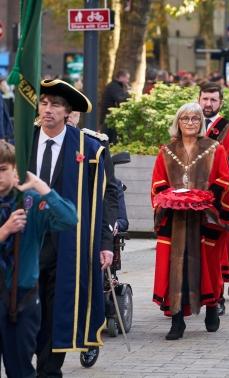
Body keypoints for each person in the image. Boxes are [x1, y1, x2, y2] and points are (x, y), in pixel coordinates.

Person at [31, 79, 114, 376]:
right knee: (29, 311)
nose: (48, 109)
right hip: (28, 242)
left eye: (55, 105)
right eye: (44, 103)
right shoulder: (21, 142)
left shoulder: (88, 148)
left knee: (58, 309)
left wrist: (106, 243)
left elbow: (102, 200)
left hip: (69, 244)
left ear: (68, 112)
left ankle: (49, 370)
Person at [150, 102, 229, 340]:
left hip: (206, 218)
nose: (190, 123)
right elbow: (158, 183)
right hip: (174, 219)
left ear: (201, 123)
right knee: (174, 269)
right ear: (178, 122)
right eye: (185, 118)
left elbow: (224, 181)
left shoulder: (214, 148)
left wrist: (206, 199)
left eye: (195, 119)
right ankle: (177, 321)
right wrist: (169, 197)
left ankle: (211, 307)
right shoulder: (167, 150)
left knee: (207, 266)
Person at [0, 142, 77, 377]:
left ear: (15, 170)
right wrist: (5, 231)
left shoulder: (30, 202)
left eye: (3, 169)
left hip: (21, 299)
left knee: (21, 369)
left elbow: (69, 219)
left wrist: (43, 188)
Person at [198, 82, 229, 315]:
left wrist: (219, 186)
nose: (208, 103)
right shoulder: (188, 123)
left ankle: (218, 297)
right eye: (205, 99)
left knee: (216, 250)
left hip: (218, 198)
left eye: (213, 100)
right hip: (190, 200)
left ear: (221, 102)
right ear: (198, 99)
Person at [99, 69, 130, 143]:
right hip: (109, 117)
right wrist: (128, 94)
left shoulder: (113, 86)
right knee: (110, 140)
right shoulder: (115, 87)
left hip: (108, 117)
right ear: (121, 77)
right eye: (127, 78)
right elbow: (120, 100)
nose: (128, 81)